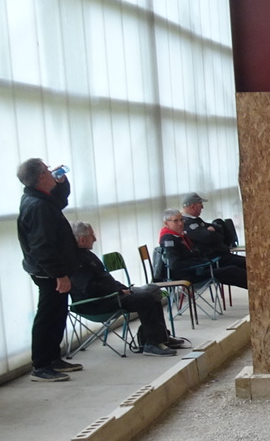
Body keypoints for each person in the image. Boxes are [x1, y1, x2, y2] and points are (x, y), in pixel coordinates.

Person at [68, 223, 189, 356]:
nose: (95, 239)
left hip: (110, 295)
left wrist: (123, 288)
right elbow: (90, 288)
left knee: (152, 291)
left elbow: (106, 279)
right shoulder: (73, 260)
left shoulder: (87, 254)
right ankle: (152, 344)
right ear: (82, 239)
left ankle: (162, 337)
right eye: (92, 236)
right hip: (95, 303)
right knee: (144, 298)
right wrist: (118, 292)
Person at [16, 158, 81, 382]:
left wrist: (62, 182)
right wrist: (59, 274)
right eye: (46, 169)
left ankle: (53, 357)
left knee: (58, 313)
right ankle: (41, 365)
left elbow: (60, 200)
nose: (51, 171)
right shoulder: (37, 206)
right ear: (41, 177)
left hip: (52, 270)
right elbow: (41, 245)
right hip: (47, 272)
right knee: (48, 316)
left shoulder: (42, 199)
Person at [158, 209, 248, 288]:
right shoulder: (169, 240)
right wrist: (200, 263)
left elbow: (192, 253)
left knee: (234, 267)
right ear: (166, 223)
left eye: (181, 220)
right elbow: (175, 264)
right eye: (176, 221)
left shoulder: (180, 236)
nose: (180, 223)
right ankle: (255, 290)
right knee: (232, 271)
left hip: (198, 268)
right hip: (190, 274)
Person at [179, 193, 245, 274]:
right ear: (193, 206)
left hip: (220, 255)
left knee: (247, 263)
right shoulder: (187, 223)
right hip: (212, 260)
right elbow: (209, 237)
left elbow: (218, 229)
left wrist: (214, 231)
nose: (202, 207)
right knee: (244, 267)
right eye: (200, 204)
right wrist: (215, 234)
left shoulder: (197, 220)